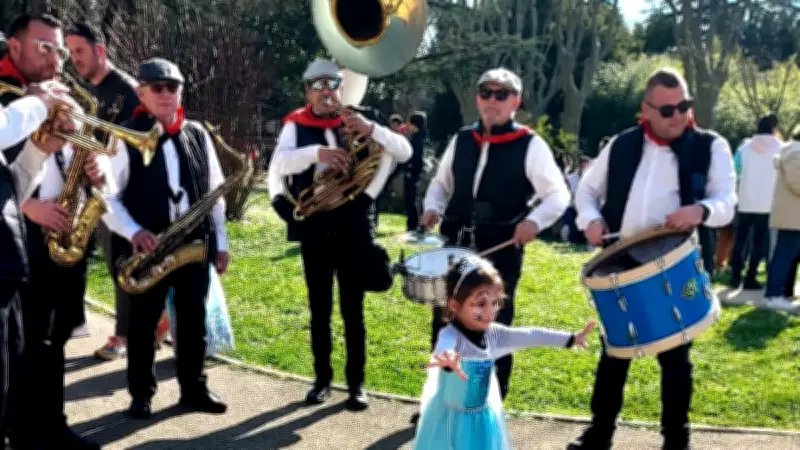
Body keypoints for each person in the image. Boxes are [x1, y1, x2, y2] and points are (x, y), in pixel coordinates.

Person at [569, 68, 736, 450]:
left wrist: (701, 211)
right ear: (645, 110)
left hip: (673, 261)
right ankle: (600, 434)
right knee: (614, 352)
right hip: (621, 259)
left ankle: (677, 441)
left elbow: (727, 201)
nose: (678, 116)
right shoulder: (623, 144)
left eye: (684, 106)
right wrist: (591, 220)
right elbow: (587, 191)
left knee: (676, 358)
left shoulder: (711, 146)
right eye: (667, 110)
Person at [269, 58, 412, 411]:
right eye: (317, 85)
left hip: (353, 225)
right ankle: (321, 380)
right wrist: (317, 153)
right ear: (307, 91)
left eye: (331, 83)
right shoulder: (295, 124)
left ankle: (356, 384)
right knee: (320, 309)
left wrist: (372, 130)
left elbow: (402, 152)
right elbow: (279, 165)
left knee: (353, 310)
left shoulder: (360, 118)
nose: (326, 91)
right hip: (316, 226)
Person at [421, 67, 571, 401]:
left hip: (500, 251)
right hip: (455, 247)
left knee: (492, 329)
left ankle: (488, 405)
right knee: (445, 324)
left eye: (501, 94)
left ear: (515, 101)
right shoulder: (461, 139)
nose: (492, 100)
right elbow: (441, 185)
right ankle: (441, 401)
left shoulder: (530, 145)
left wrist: (534, 222)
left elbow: (558, 194)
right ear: (477, 98)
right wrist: (432, 208)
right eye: (485, 92)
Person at [103, 57, 229, 419]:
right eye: (156, 87)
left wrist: (220, 242)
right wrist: (134, 231)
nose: (165, 93)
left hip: (194, 244)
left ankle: (194, 388)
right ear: (141, 91)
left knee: (193, 322)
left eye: (172, 87)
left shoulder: (197, 133)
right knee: (142, 324)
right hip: (149, 247)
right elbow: (108, 197)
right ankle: (140, 394)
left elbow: (214, 191)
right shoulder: (125, 134)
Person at [412, 255, 594, 450]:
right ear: (455, 305)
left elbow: (530, 335)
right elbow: (444, 348)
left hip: (482, 420)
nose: (491, 312)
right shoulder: (451, 335)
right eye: (481, 304)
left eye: (495, 302)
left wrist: (571, 338)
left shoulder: (493, 335)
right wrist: (448, 359)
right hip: (449, 421)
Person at [0, 81, 77, 450]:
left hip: (7, 269)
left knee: (26, 356)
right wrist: (38, 103)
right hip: (19, 252)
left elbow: (8, 190)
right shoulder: (18, 111)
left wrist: (37, 151)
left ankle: (40, 427)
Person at [65, 20, 146, 361]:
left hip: (123, 190)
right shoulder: (92, 91)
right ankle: (150, 326)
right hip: (100, 188)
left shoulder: (125, 88)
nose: (74, 59)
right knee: (115, 262)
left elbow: (137, 137)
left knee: (121, 261)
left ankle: (125, 336)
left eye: (80, 51)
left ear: (100, 50)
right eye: (69, 52)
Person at [729, 114, 782, 290]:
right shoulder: (779, 148)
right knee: (759, 242)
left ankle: (735, 276)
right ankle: (750, 277)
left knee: (740, 241)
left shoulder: (744, 147)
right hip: (767, 202)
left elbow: (735, 170)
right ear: (774, 129)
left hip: (745, 199)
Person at [763, 127, 800, 311]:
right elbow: (797, 183)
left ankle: (784, 292)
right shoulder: (796, 153)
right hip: (793, 216)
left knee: (788, 256)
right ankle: (773, 295)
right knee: (784, 256)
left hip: (793, 215)